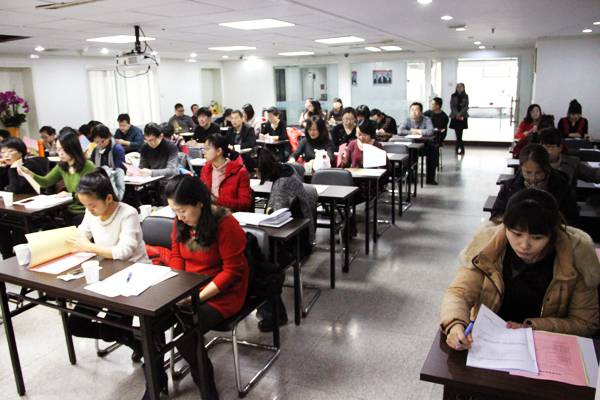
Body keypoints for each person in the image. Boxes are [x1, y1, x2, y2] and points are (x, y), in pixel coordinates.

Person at [441, 188, 600, 351]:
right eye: (516, 234)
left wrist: (532, 328)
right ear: (505, 226)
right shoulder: (487, 247)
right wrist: (455, 324)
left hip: (544, 347)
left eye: (537, 238)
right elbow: (459, 293)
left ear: (552, 234)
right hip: (489, 341)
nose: (524, 245)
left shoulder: (577, 257)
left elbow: (585, 323)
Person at [166, 175, 250, 399]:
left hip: (223, 292)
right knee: (151, 324)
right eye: (175, 211)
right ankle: (155, 382)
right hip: (189, 287)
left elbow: (232, 272)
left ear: (199, 203)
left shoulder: (225, 224)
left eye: (183, 210)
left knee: (185, 335)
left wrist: (197, 297)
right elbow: (176, 255)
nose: (179, 217)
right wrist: (179, 286)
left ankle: (207, 387)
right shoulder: (181, 222)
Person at [65, 169, 150, 357]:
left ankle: (134, 339)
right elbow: (82, 234)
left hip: (133, 274)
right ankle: (130, 338)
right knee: (76, 325)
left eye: (92, 205)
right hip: (105, 274)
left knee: (111, 330)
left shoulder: (128, 213)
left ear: (109, 198)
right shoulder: (92, 213)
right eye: (85, 206)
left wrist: (89, 247)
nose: (89, 210)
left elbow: (124, 251)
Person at [256, 149, 317, 331]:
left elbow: (274, 216)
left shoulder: (282, 184)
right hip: (297, 234)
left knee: (260, 263)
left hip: (295, 241)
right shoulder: (286, 170)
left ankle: (274, 313)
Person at [19, 128, 96, 225]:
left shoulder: (87, 166)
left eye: (63, 149)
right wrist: (29, 173)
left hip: (87, 210)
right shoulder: (62, 165)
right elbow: (46, 182)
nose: (60, 153)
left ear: (73, 148)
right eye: (58, 149)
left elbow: (91, 193)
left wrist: (70, 195)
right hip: (69, 209)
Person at [491, 143, 579, 226]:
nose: (533, 178)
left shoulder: (562, 186)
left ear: (547, 168)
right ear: (521, 168)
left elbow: (572, 219)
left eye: (538, 173)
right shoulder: (509, 187)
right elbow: (496, 214)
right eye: (528, 172)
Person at [200, 134, 252, 212]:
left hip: (231, 215)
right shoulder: (205, 169)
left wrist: (216, 200)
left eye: (207, 149)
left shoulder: (240, 172)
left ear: (219, 151)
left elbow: (245, 203)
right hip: (209, 214)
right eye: (204, 149)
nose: (204, 152)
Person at [400, 102, 438, 184]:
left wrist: (416, 130)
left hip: (425, 145)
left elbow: (430, 131)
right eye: (412, 110)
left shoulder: (426, 119)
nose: (414, 112)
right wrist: (411, 132)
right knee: (406, 151)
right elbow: (400, 131)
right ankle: (410, 177)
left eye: (416, 110)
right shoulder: (407, 120)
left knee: (433, 150)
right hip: (411, 145)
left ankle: (430, 179)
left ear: (421, 112)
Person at [449, 83, 469, 155]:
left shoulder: (466, 96)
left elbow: (466, 106)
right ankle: (460, 148)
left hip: (463, 116)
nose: (459, 88)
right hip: (455, 116)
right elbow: (452, 106)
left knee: (460, 134)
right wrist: (456, 114)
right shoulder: (453, 95)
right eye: (458, 87)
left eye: (461, 87)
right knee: (457, 134)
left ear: (463, 88)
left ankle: (459, 148)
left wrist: (460, 114)